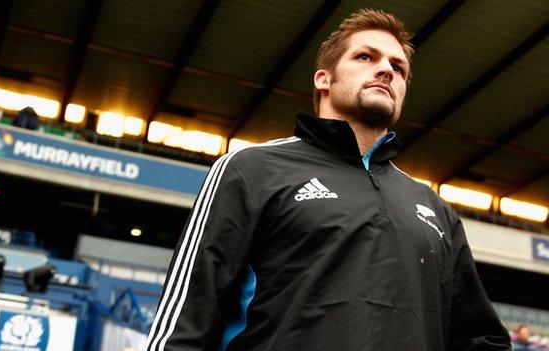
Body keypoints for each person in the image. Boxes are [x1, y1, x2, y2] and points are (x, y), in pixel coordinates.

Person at [145, 9, 511, 351]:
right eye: (366, 57)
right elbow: (186, 322)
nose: (386, 70)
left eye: (398, 68)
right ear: (324, 78)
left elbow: (479, 338)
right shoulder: (251, 169)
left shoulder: (434, 209)